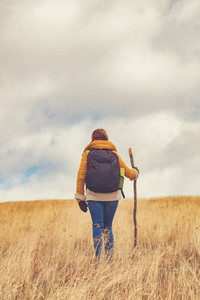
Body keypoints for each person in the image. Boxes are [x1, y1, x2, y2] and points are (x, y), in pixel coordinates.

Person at [75, 129, 139, 260]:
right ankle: (109, 259)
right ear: (106, 138)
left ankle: (98, 259)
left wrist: (80, 199)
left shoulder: (88, 154)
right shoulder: (114, 154)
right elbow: (127, 172)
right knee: (108, 227)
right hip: (112, 195)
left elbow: (80, 176)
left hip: (94, 195)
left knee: (97, 225)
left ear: (92, 139)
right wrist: (136, 173)